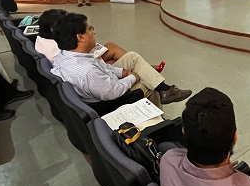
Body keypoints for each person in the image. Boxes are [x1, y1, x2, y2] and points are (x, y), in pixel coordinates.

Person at [50, 13, 191, 114]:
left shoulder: (65, 55)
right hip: (110, 101)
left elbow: (102, 66)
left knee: (132, 57)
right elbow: (114, 92)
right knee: (145, 84)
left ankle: (164, 89)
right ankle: (156, 121)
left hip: (104, 82)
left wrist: (122, 72)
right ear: (80, 37)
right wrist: (132, 77)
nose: (94, 32)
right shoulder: (88, 72)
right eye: (90, 29)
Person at [35, 9, 128, 65]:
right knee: (113, 51)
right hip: (83, 64)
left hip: (78, 64)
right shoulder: (58, 49)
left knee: (112, 53)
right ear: (53, 29)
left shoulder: (41, 39)